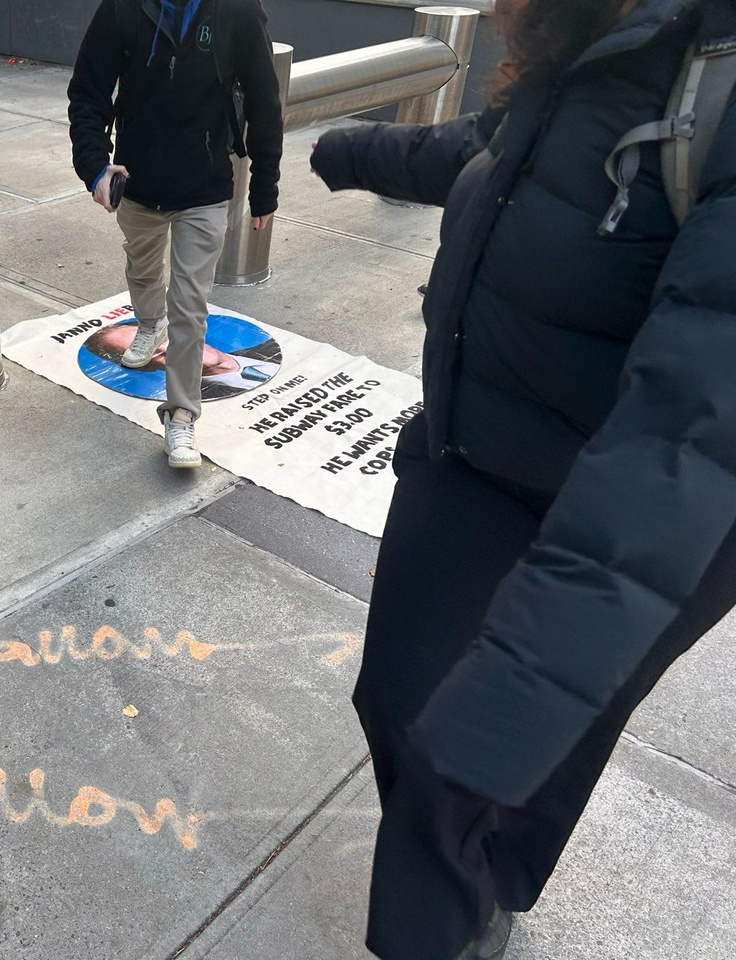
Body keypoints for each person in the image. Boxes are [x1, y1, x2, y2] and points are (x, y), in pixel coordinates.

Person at [308, 0, 736, 956]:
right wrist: (353, 151)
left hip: (639, 497)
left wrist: (515, 698)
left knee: (511, 735)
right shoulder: (588, 36)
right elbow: (502, 152)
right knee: (403, 701)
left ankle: (471, 905)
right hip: (479, 448)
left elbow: (689, 429)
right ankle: (470, 866)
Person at [68, 0, 283, 467]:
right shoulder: (122, 9)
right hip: (138, 181)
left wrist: (264, 186)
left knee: (190, 305)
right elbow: (88, 95)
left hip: (204, 186)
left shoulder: (238, 11)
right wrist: (95, 168)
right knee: (143, 270)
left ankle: (182, 414)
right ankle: (148, 322)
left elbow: (265, 100)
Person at [84, 321, 281, 400]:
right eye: (152, 352)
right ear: (144, 368)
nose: (172, 348)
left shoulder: (268, 349)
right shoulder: (201, 401)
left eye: (166, 337)